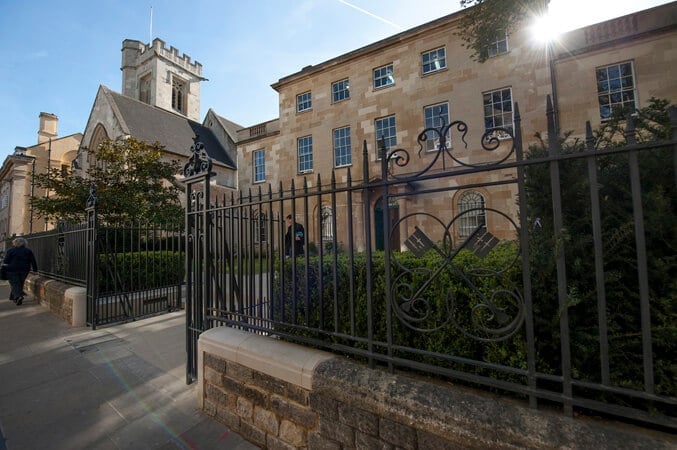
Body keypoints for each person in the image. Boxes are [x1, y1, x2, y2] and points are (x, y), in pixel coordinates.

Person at [3, 237, 38, 305]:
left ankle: (19, 296)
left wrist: (4, 267)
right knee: (20, 283)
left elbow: (6, 261)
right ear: (24, 243)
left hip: (12, 269)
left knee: (15, 283)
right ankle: (15, 297)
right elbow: (33, 261)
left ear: (14, 243)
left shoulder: (10, 250)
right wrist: (35, 270)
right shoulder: (28, 251)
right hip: (24, 269)